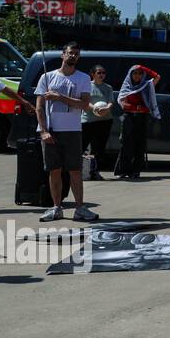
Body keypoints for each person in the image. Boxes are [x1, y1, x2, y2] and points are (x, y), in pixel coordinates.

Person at [37, 43, 98, 221]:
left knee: (75, 170)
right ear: (63, 55)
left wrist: (59, 97)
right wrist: (43, 131)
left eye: (76, 54)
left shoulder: (83, 78)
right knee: (54, 170)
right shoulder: (47, 77)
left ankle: (80, 208)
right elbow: (39, 107)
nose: (73, 56)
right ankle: (56, 207)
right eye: (70, 53)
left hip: (72, 130)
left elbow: (84, 105)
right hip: (51, 131)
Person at [114, 63, 161, 181]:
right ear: (130, 75)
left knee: (139, 145)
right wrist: (138, 108)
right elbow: (124, 105)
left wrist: (142, 67)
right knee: (126, 144)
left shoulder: (146, 86)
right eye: (135, 73)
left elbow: (157, 77)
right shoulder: (126, 87)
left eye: (140, 73)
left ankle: (136, 171)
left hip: (142, 118)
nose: (137, 76)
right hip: (128, 118)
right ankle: (123, 170)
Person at [80, 64, 114, 179]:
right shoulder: (87, 86)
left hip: (105, 121)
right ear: (93, 74)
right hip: (88, 121)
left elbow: (110, 102)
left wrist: (106, 109)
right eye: (99, 73)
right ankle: (79, 171)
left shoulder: (108, 87)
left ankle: (95, 171)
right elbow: (85, 101)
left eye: (103, 73)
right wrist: (94, 108)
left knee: (99, 148)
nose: (101, 75)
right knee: (82, 145)